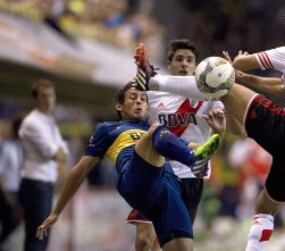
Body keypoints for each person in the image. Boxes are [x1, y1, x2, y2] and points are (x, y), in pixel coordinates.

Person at [134, 9, 285, 251]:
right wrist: (242, 77)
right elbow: (277, 86)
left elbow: (240, 63)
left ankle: (153, 80)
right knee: (264, 207)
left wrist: (237, 65)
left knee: (219, 79)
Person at [36, 82, 225, 251]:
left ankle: (193, 161)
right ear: (119, 105)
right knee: (156, 130)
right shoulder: (109, 129)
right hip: (135, 181)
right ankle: (193, 162)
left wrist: (218, 133)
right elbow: (80, 170)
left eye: (143, 99)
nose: (139, 102)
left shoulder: (161, 134)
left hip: (167, 188)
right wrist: (56, 211)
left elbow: (201, 149)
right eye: (133, 98)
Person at [127, 39, 224, 251]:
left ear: (197, 67)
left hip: (191, 176)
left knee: (169, 246)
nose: (184, 64)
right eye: (179, 59)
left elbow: (221, 138)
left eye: (190, 60)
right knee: (144, 240)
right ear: (169, 64)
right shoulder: (152, 93)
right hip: (156, 171)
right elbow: (133, 114)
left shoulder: (209, 97)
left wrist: (219, 131)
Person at [18, 79, 69, 251]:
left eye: (51, 95)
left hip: (44, 183)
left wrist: (60, 153)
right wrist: (59, 153)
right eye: (44, 96)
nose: (49, 100)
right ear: (36, 99)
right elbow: (54, 153)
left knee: (42, 235)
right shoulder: (32, 122)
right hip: (35, 183)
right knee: (37, 236)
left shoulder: (49, 122)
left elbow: (65, 152)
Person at [0, 119, 22, 248]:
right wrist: (5, 194)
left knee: (16, 222)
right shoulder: (5, 147)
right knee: (11, 222)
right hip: (6, 192)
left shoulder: (19, 148)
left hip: (18, 191)